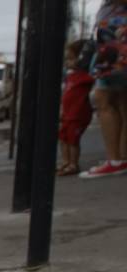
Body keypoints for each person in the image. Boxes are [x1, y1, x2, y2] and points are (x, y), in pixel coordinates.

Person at [81, 0, 127, 178]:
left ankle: (115, 159)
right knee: (122, 102)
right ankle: (120, 157)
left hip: (115, 47)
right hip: (115, 43)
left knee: (103, 98)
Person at [59, 40, 96, 176]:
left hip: (78, 114)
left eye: (71, 58)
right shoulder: (70, 76)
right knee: (63, 138)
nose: (68, 62)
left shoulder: (86, 77)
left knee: (73, 139)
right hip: (68, 114)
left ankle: (73, 163)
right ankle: (65, 161)